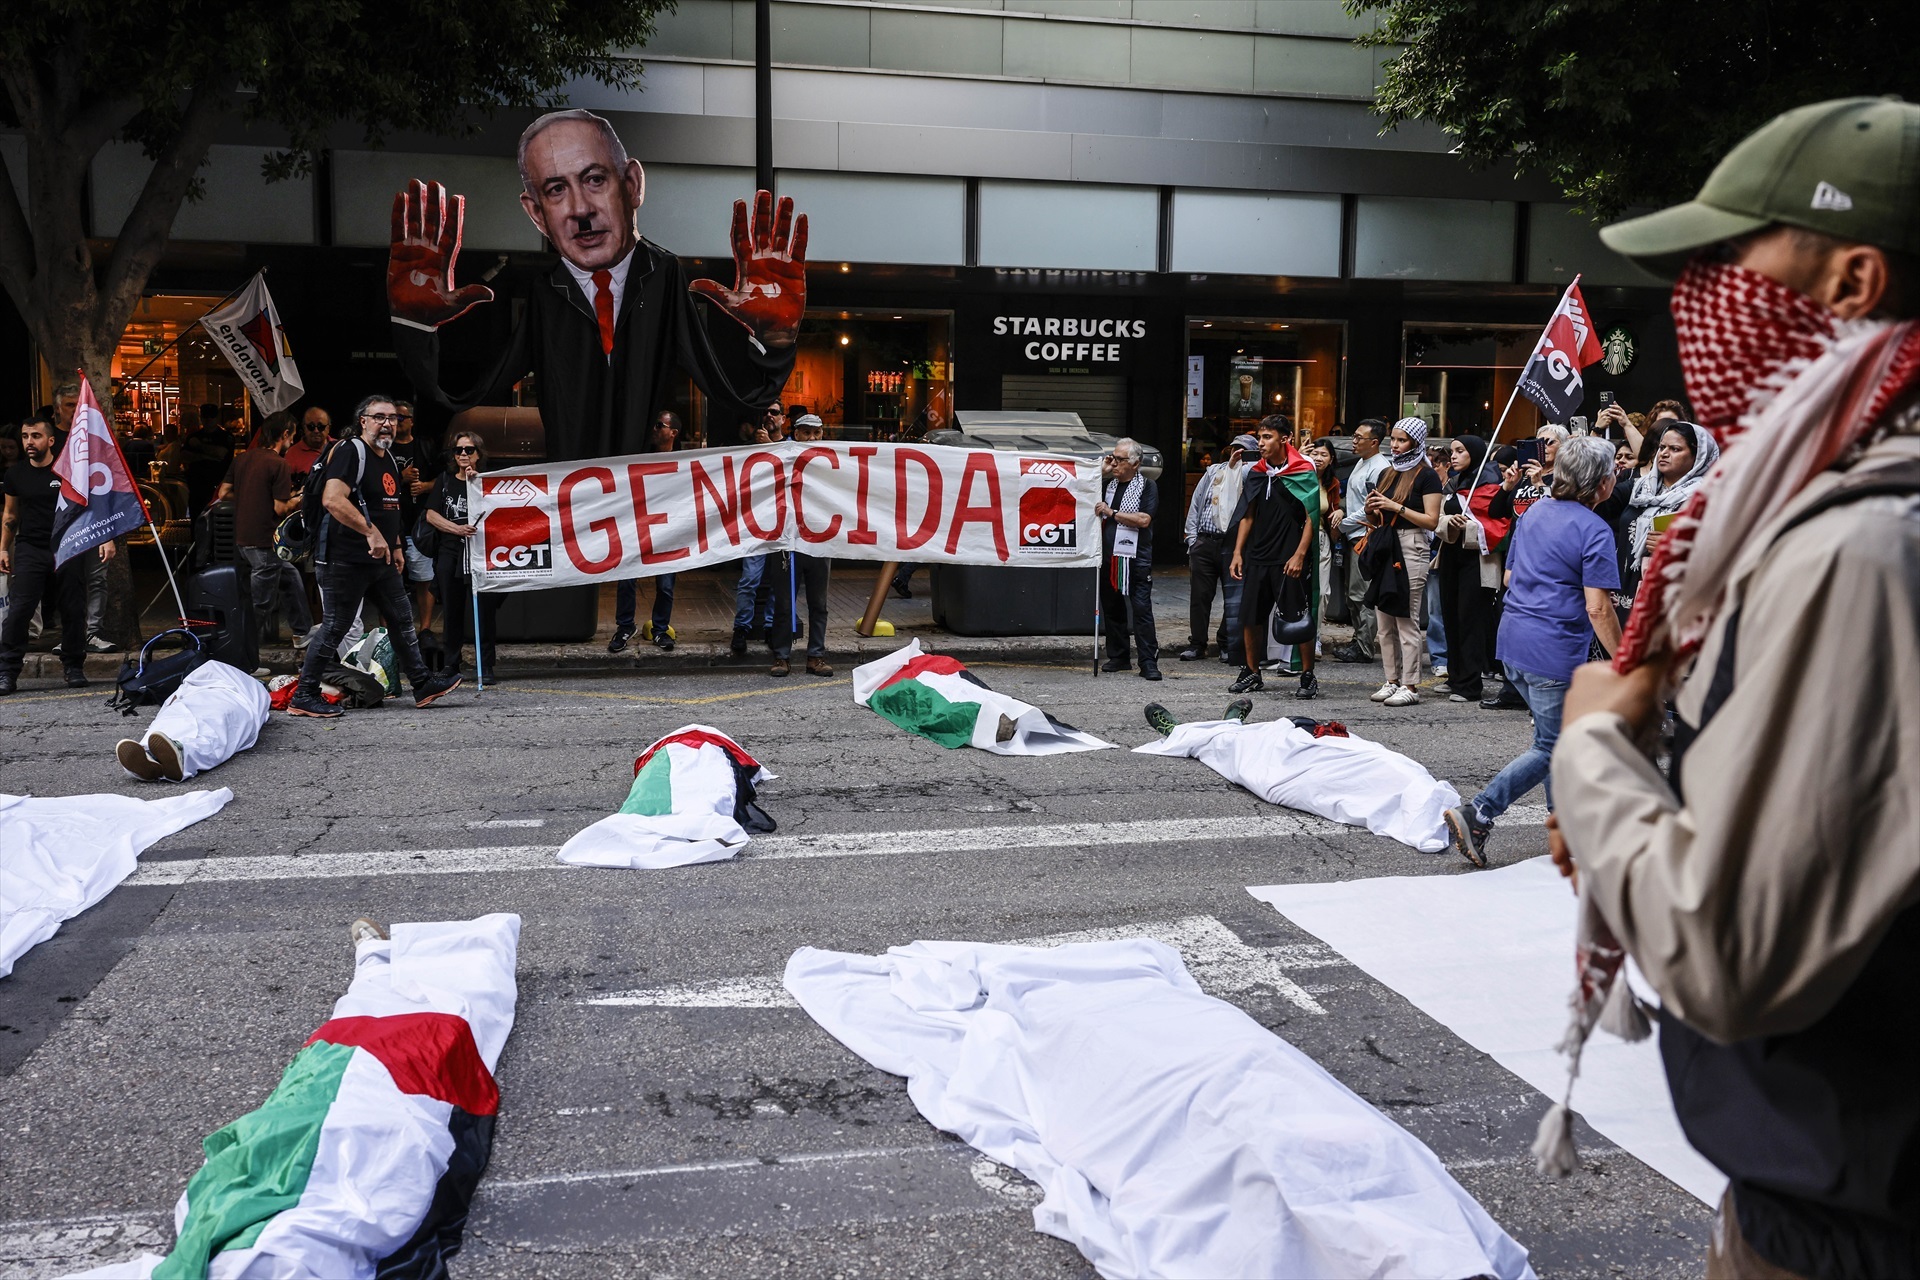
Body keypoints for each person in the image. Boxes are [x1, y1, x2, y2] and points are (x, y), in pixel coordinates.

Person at [1546, 98, 1920, 1279]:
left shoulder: (1860, 548)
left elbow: (1732, 949)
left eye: (1728, 258)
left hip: (1850, 1217)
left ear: (1854, 279)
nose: (1696, 298)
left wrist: (1594, 751)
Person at [390, 108, 798, 463]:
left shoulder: (663, 275)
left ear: (632, 185)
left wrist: (773, 341)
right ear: (536, 214)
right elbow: (468, 396)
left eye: (594, 180)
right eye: (556, 189)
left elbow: (730, 392)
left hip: (634, 504)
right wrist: (417, 328)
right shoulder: (546, 293)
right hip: (576, 505)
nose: (580, 210)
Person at [1444, 436, 1621, 865]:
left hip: (1514, 642)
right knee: (1554, 746)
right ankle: (1480, 812)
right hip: (1554, 649)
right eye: (1612, 471)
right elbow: (1598, 607)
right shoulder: (1595, 528)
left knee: (1552, 738)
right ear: (1600, 484)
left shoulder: (1537, 510)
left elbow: (1508, 577)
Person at [288, 395, 462, 719]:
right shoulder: (352, 451)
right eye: (379, 416)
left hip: (379, 559)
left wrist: (395, 546)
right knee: (335, 628)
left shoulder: (390, 460)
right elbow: (332, 499)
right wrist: (370, 533)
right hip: (344, 557)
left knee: (400, 620)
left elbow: (387, 509)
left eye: (393, 418)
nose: (388, 423)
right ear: (363, 420)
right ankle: (304, 694)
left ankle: (422, 684)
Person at [0, 414, 115, 693]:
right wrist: (4, 548)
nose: (29, 441)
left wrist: (106, 537)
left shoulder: (69, 471)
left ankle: (74, 666)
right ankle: (7, 672)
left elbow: (95, 504)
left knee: (73, 609)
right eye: (26, 436)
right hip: (30, 548)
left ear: (50, 440)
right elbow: (11, 514)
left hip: (68, 545)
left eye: (36, 436)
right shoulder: (15, 474)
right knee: (19, 610)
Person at [1227, 417, 1318, 698]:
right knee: (1250, 617)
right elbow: (1248, 514)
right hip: (1258, 555)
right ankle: (1252, 672)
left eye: (1267, 437)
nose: (1261, 443)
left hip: (1288, 557)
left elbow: (1312, 517)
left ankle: (1307, 676)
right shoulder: (1256, 472)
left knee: (1297, 617)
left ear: (1285, 439)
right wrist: (1238, 552)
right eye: (1259, 437)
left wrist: (1300, 555)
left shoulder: (1303, 470)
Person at [1362, 417, 1444, 706]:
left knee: (1406, 618)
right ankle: (1391, 679)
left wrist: (1395, 505)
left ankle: (1410, 685)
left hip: (1412, 545)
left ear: (1416, 442)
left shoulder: (1427, 475)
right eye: (1393, 440)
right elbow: (1376, 516)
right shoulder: (1388, 471)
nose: (1395, 446)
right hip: (1387, 544)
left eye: (1402, 440)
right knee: (1384, 618)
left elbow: (1432, 521)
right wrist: (1371, 508)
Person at [215, 412, 312, 651]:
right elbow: (281, 508)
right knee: (261, 604)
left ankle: (302, 633)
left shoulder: (243, 459)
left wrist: (254, 497)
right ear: (286, 433)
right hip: (265, 542)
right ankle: (238, 654)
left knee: (291, 579)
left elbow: (224, 493)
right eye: (293, 433)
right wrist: (300, 499)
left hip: (244, 540)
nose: (294, 439)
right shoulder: (279, 464)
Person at [1433, 435, 1512, 704]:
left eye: (1460, 451)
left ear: (1475, 454)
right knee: (1451, 617)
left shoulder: (1491, 487)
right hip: (1451, 557)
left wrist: (1467, 526)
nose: (1453, 456)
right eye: (1452, 451)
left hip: (1476, 563)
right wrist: (1448, 524)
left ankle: (1470, 684)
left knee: (1470, 620)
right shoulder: (1454, 484)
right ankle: (1455, 676)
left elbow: (1499, 526)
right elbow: (1439, 519)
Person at [422, 429, 500, 680]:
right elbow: (430, 514)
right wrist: (455, 528)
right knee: (452, 610)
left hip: (480, 552)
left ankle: (485, 665)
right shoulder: (444, 480)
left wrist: (475, 483)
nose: (463, 454)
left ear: (478, 454)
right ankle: (451, 664)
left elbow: (498, 514)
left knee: (484, 610)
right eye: (459, 450)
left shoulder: (485, 482)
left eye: (469, 450)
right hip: (450, 550)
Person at [114, 659, 271, 782]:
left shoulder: (251, 688)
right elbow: (258, 710)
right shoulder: (253, 688)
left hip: (222, 699)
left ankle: (172, 754)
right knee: (203, 726)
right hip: (212, 697)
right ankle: (150, 755)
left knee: (210, 724)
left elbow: (175, 696)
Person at [610, 410, 684, 654]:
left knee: (665, 585)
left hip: (667, 531)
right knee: (627, 579)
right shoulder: (640, 457)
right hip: (639, 528)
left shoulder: (686, 462)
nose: (654, 429)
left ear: (673, 432)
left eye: (659, 425)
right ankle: (625, 626)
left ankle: (660, 629)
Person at [768, 413, 834, 678]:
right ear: (795, 434)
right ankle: (781, 656)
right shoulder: (782, 458)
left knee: (819, 603)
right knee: (784, 603)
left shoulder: (831, 464)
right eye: (805, 433)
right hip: (788, 542)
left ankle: (815, 656)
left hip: (819, 542)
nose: (811, 438)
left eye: (816, 433)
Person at [1179, 432, 1254, 663]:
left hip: (1233, 545)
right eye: (1234, 448)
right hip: (1205, 540)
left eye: (1244, 450)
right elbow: (1196, 502)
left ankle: (1226, 642)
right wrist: (1192, 539)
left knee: (1233, 598)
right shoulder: (1213, 471)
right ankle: (1197, 643)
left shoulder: (1251, 473)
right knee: (1200, 596)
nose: (1238, 453)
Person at [1622, 420, 1721, 592]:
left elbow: (1721, 551)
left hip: (1672, 593)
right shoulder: (1639, 489)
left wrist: (1676, 547)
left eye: (1675, 449)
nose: (1664, 453)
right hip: (1626, 587)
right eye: (1662, 447)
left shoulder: (1708, 498)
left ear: (1697, 456)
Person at [1096, 437, 1160, 680]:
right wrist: (1101, 473)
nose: (1114, 463)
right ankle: (1119, 656)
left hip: (1136, 558)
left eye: (1119, 459)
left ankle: (1148, 662)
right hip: (1108, 556)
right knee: (1112, 609)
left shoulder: (1147, 486)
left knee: (1141, 609)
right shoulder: (1107, 485)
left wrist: (1112, 513)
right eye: (1112, 458)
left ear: (1135, 463)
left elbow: (1144, 520)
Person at [1330, 418, 1390, 663]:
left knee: (1360, 594)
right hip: (1353, 534)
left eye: (1358, 437)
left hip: (1365, 535)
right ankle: (1359, 639)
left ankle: (1364, 647)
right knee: (1352, 593)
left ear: (1374, 442)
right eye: (1353, 436)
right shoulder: (1362, 463)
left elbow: (1371, 507)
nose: (1353, 441)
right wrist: (1343, 511)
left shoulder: (1379, 468)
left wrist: (1341, 523)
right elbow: (1355, 500)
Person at [386, 399, 440, 639]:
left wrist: (426, 486)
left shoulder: (425, 447)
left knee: (424, 578)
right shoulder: (382, 448)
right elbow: (372, 482)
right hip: (390, 525)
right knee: (387, 580)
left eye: (400, 417)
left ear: (412, 421)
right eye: (392, 417)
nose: (395, 422)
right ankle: (386, 632)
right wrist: (400, 477)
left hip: (419, 525)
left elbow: (448, 478)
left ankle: (425, 629)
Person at [1307, 437, 1342, 634]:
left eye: (1323, 454)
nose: (1319, 458)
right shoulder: (1301, 475)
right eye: (1315, 453)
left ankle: (1315, 635)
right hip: (1296, 538)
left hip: (1320, 538)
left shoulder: (1332, 483)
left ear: (1331, 459)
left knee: (1321, 592)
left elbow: (1334, 510)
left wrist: (1340, 512)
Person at [182, 402, 235, 517]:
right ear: (201, 418)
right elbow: (184, 456)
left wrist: (199, 447)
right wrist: (208, 455)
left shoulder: (225, 436)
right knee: (197, 519)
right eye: (205, 417)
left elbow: (221, 454)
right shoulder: (194, 436)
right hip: (197, 485)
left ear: (216, 418)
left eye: (211, 416)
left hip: (218, 484)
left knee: (218, 519)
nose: (208, 420)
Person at [284, 406, 329, 476]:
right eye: (311, 426)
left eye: (321, 427)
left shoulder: (340, 447)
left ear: (328, 428)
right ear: (304, 427)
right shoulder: (292, 454)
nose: (316, 431)